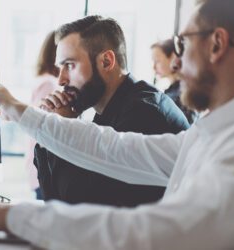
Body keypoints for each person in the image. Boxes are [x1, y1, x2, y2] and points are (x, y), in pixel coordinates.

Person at [0, 0, 234, 249]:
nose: (175, 63)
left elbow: (154, 234)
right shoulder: (211, 133)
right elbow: (112, 148)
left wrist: (18, 218)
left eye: (183, 44)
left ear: (217, 44)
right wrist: (18, 110)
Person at [34, 16, 189, 207]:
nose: (61, 80)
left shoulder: (144, 114)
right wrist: (50, 131)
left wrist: (64, 128)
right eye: (60, 68)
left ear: (106, 62)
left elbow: (81, 206)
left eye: (70, 65)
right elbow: (53, 202)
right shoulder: (109, 112)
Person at [24, 30, 59, 199]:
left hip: (37, 165)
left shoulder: (43, 80)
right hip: (44, 166)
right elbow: (42, 125)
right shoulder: (50, 84)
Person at [151, 38, 198, 124]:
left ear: (173, 57)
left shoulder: (183, 95)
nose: (153, 67)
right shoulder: (171, 91)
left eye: (157, 61)